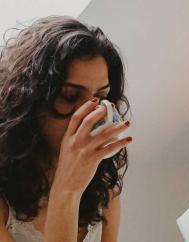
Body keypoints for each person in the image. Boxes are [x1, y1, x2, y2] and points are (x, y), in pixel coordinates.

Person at [0, 15, 133, 242]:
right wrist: (68, 190)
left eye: (100, 96)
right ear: (28, 100)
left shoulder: (104, 190)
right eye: (70, 96)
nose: (90, 114)